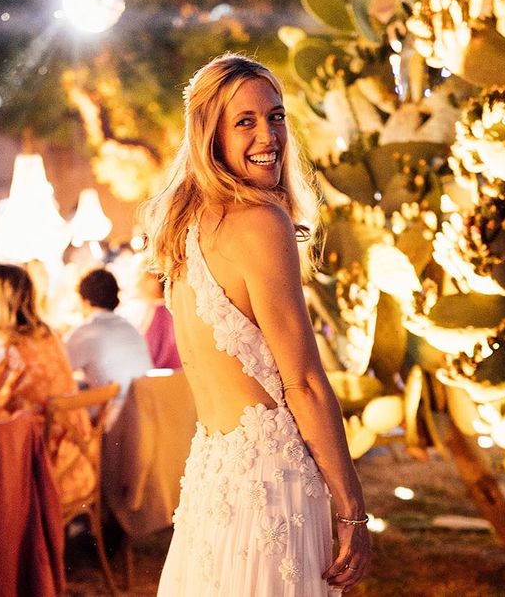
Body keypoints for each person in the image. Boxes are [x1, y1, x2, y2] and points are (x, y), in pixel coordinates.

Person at [140, 53, 371, 595]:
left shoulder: (186, 230)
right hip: (272, 489)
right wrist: (354, 511)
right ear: (210, 135)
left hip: (213, 486)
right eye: (244, 121)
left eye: (276, 116)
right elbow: (305, 382)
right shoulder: (259, 222)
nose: (268, 134)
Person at [0, 263, 93, 504]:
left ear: (2, 302)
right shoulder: (47, 335)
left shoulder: (7, 350)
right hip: (75, 462)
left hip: (42, 474)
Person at [65, 268, 152, 404]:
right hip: (148, 407)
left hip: (115, 415)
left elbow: (59, 371)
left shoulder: (84, 332)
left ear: (85, 301)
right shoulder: (130, 328)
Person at [136, 270, 182, 370]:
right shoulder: (159, 309)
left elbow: (151, 351)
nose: (139, 283)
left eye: (146, 278)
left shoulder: (160, 312)